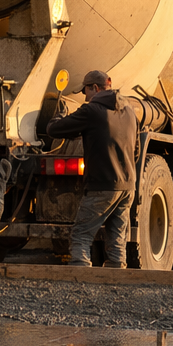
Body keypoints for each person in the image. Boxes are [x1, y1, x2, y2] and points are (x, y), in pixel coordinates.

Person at [45, 70, 138, 268]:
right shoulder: (129, 111)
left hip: (102, 185)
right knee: (116, 235)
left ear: (94, 88)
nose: (84, 97)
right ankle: (116, 272)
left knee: (82, 233)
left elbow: (55, 130)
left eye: (85, 92)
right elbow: (135, 149)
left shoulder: (92, 110)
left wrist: (58, 115)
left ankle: (80, 273)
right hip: (127, 186)